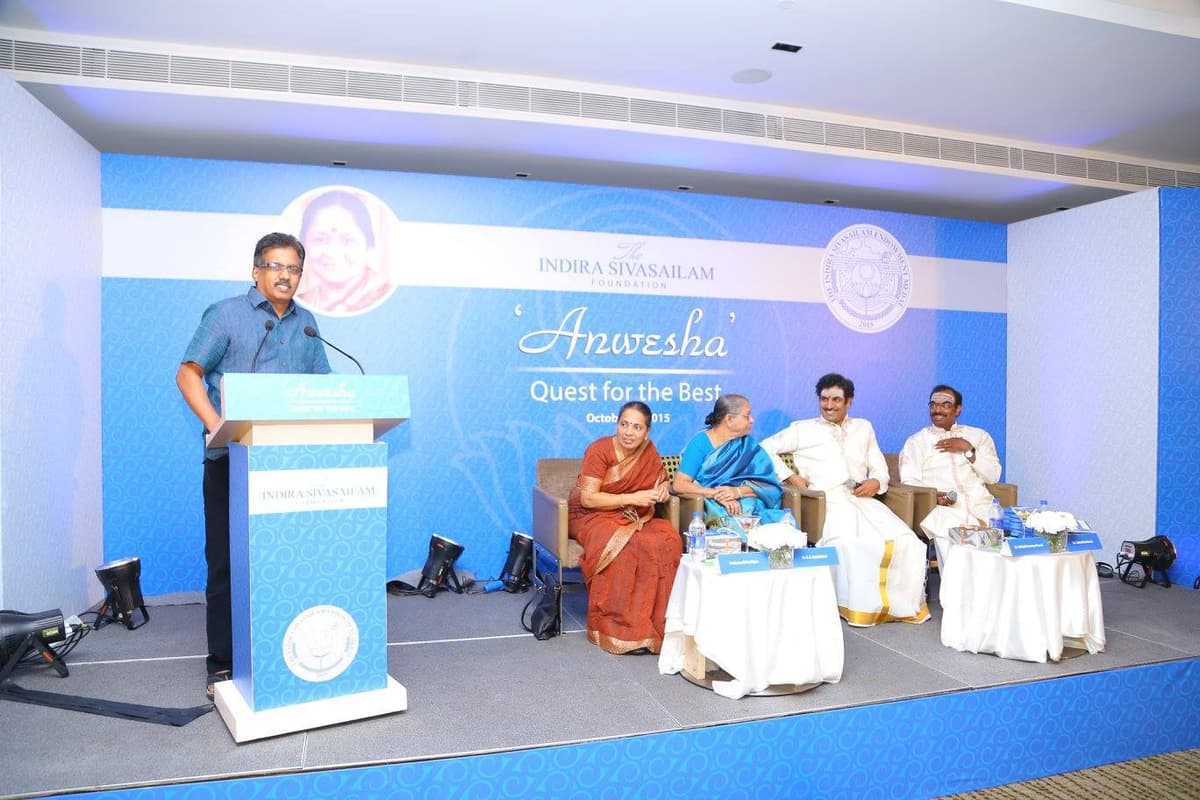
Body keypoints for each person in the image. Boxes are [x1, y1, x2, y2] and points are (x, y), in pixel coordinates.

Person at [175, 232, 332, 699]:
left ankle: (282, 650)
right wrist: (216, 423)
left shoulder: (306, 324)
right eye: (276, 267)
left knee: (287, 563)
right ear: (256, 271)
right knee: (227, 563)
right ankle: (222, 663)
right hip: (232, 460)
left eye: (294, 269)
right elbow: (188, 373)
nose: (286, 276)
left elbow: (322, 387)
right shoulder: (227, 314)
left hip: (289, 464)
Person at [759, 373, 929, 626]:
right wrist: (791, 478)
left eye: (836, 400)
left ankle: (901, 608)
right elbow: (763, 448)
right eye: (824, 399)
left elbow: (879, 468)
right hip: (827, 500)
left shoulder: (863, 427)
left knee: (908, 542)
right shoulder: (803, 429)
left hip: (863, 500)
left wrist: (876, 482)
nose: (829, 405)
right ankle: (858, 608)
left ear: (848, 401)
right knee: (855, 544)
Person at [567, 401, 682, 654]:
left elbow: (659, 479)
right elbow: (588, 499)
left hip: (633, 514)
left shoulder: (648, 451)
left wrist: (662, 488)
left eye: (637, 427)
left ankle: (656, 627)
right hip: (592, 514)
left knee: (667, 539)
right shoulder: (599, 450)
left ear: (647, 432)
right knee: (628, 545)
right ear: (616, 424)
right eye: (624, 424)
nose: (629, 432)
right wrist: (633, 498)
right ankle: (619, 628)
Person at [899, 384, 1002, 563]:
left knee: (1000, 544)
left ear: (958, 409)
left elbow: (993, 476)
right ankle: (955, 588)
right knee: (948, 530)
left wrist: (968, 449)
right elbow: (909, 481)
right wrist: (934, 496)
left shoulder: (979, 436)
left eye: (945, 404)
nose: (937, 409)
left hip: (981, 507)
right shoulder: (917, 441)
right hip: (943, 509)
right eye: (933, 404)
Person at [671, 394, 785, 522]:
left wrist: (737, 492)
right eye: (747, 416)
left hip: (751, 507)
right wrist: (717, 495)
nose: (752, 420)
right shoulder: (700, 443)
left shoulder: (748, 445)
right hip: (712, 506)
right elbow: (679, 484)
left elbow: (770, 487)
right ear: (729, 419)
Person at [294, 189, 393, 316]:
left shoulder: (382, 296)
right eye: (320, 239)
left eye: (348, 240)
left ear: (368, 245)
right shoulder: (300, 301)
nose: (332, 252)